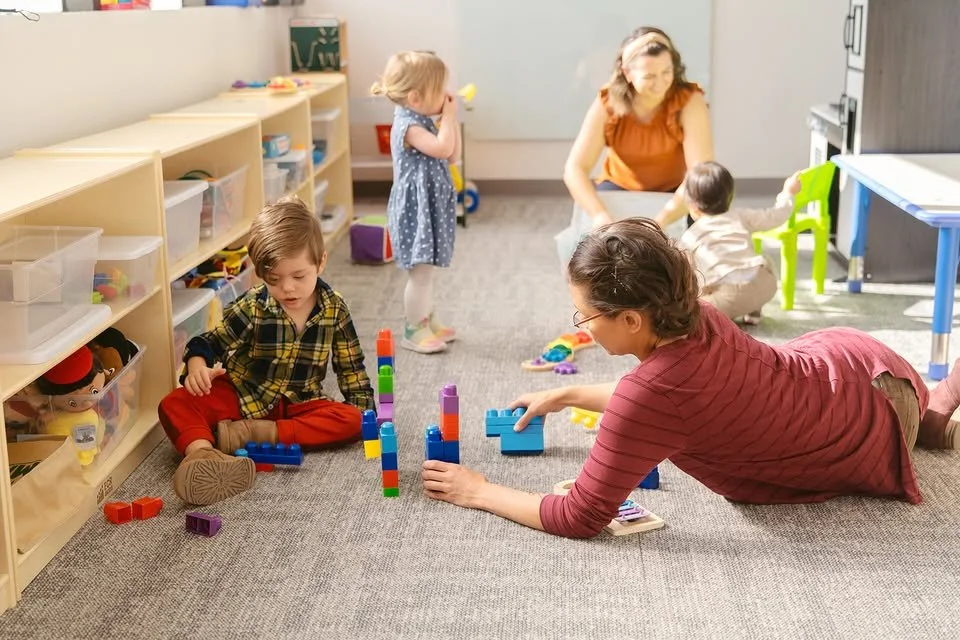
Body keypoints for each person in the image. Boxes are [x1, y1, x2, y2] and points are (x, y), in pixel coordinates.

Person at [422, 217, 960, 539]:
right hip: (862, 362)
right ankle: (934, 411)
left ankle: (932, 415)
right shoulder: (696, 311)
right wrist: (566, 393)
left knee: (910, 427)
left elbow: (581, 514)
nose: (580, 327)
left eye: (584, 317)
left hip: (871, 426)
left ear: (632, 321)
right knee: (906, 411)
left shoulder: (650, 394)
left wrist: (479, 491)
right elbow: (681, 398)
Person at [158, 197, 375, 506]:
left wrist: (363, 417)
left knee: (353, 419)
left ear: (321, 262)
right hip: (244, 394)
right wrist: (196, 366)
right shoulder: (253, 306)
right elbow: (208, 342)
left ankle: (247, 435)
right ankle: (202, 454)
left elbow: (351, 367)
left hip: (300, 405)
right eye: (274, 280)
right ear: (261, 274)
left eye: (299, 276)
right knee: (174, 403)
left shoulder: (335, 308)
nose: (288, 288)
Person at [563, 26, 714, 231]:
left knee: (693, 246)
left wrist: (661, 220)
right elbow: (575, 169)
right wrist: (600, 215)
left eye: (666, 72)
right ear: (627, 73)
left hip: (676, 194)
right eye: (649, 76)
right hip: (618, 188)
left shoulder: (689, 101)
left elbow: (700, 173)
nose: (660, 83)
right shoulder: (608, 101)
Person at [371, 50, 461, 354]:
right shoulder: (409, 127)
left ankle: (428, 320)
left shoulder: (423, 120)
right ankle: (414, 328)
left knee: (427, 272)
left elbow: (452, 154)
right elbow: (441, 148)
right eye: (440, 89)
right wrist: (448, 118)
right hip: (415, 211)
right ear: (415, 98)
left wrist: (451, 120)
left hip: (429, 207)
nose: (447, 95)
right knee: (420, 274)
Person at [679, 161, 801, 324]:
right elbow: (775, 216)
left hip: (728, 298)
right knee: (762, 261)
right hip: (764, 285)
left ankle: (721, 321)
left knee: (693, 302)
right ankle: (753, 311)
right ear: (730, 197)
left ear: (693, 208)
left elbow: (682, 275)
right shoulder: (740, 216)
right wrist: (788, 193)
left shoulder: (691, 235)